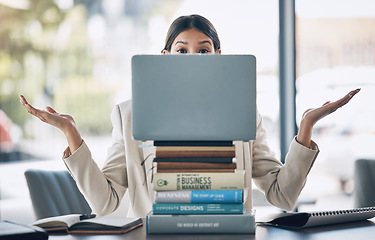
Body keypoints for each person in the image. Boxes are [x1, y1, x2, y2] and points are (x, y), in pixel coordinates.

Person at [20, 14, 360, 218]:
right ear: (165, 56)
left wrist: (305, 129)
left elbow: (281, 196)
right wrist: (73, 136)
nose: (192, 58)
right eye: (181, 50)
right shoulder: (128, 114)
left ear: (218, 56)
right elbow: (106, 203)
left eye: (203, 50)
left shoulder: (243, 112)